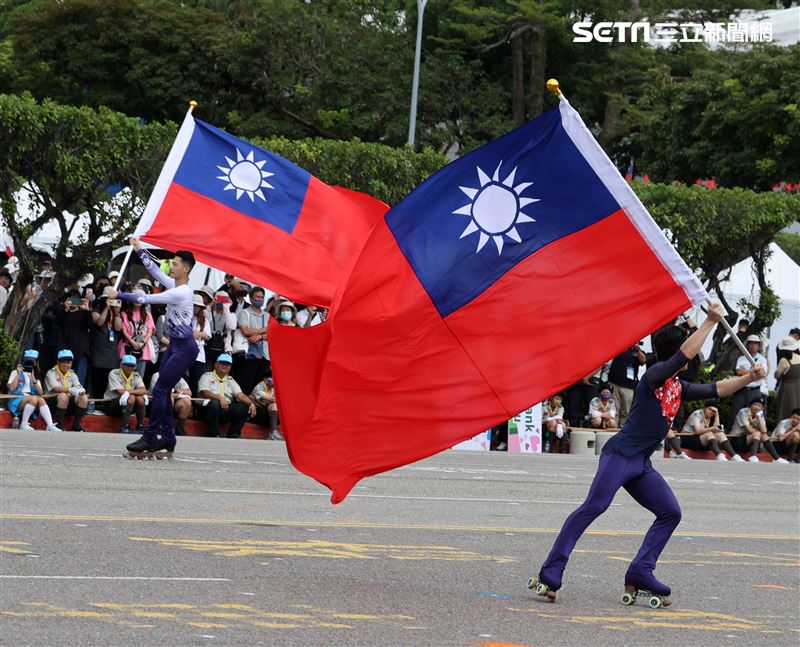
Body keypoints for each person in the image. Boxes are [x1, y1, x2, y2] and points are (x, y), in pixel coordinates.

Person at [529, 303, 768, 607]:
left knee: (671, 512)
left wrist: (749, 378)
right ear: (676, 350)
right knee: (594, 506)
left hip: (641, 464)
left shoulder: (678, 386)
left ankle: (640, 571)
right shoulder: (653, 375)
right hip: (619, 455)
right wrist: (709, 322)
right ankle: (551, 572)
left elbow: (717, 389)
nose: (688, 354)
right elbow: (684, 355)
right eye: (686, 343)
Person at [107, 238, 198, 457]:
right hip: (175, 345)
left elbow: (145, 297)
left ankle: (150, 437)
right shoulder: (176, 285)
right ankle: (167, 438)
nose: (171, 266)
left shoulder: (182, 292)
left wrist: (118, 294)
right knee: (161, 391)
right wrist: (140, 251)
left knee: (160, 390)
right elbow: (156, 272)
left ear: (185, 269)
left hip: (185, 348)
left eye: (175, 264)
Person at [197, 354, 257, 438]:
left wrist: (251, 403)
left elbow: (240, 395)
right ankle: (213, 433)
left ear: (230, 367)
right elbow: (205, 393)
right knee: (214, 404)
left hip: (225, 408)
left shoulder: (230, 380)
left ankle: (233, 434)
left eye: (227, 364)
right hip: (207, 409)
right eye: (222, 363)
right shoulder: (206, 376)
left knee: (243, 407)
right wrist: (220, 398)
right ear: (215, 364)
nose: (224, 365)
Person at [7, 349, 60, 431]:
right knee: (34, 398)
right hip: (16, 400)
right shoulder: (15, 372)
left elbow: (41, 393)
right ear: (23, 361)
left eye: (32, 362)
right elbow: (11, 388)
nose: (30, 364)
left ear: (35, 363)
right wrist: (18, 374)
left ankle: (50, 425)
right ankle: (24, 423)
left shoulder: (35, 375)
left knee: (41, 399)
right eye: (28, 361)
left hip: (31, 399)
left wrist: (33, 379)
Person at [729, 396, 788, 463]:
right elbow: (749, 430)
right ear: (750, 406)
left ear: (762, 408)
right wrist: (759, 431)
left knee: (763, 435)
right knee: (758, 433)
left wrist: (760, 417)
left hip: (749, 442)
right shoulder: (743, 412)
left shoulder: (760, 414)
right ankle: (753, 456)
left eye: (759, 406)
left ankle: (776, 458)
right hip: (736, 440)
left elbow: (764, 431)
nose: (756, 407)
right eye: (754, 404)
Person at [234, 286, 270, 395]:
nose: (260, 299)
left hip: (265, 356)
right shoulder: (245, 313)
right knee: (246, 386)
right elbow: (245, 331)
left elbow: (272, 335)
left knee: (260, 389)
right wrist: (264, 330)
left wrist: (259, 337)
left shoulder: (267, 315)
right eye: (257, 297)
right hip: (249, 356)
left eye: (262, 297)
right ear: (251, 298)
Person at [89, 286, 123, 400]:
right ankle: (97, 401)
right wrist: (107, 308)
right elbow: (99, 322)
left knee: (109, 377)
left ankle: (106, 402)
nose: (112, 301)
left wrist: (117, 313)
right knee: (97, 377)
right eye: (109, 299)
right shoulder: (97, 308)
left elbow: (118, 328)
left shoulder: (116, 311)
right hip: (98, 349)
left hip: (111, 351)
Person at [44, 349, 89, 432]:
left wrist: (81, 390)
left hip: (67, 404)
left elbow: (77, 385)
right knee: (63, 396)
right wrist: (71, 390)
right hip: (52, 403)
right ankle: (59, 424)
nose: (66, 365)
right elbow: (55, 388)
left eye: (68, 362)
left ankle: (76, 425)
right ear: (58, 362)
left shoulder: (72, 373)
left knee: (83, 398)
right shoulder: (51, 372)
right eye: (63, 362)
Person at [729, 334, 769, 427]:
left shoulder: (762, 359)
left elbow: (762, 373)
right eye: (751, 343)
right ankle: (733, 434)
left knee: (757, 412)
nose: (753, 345)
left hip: (755, 390)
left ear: (759, 346)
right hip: (741, 388)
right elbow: (738, 371)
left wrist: (746, 371)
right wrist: (753, 372)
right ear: (747, 345)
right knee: (737, 411)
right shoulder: (741, 358)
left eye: (755, 343)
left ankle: (757, 433)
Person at [102, 355, 147, 434]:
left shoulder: (136, 375)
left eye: (132, 366)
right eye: (127, 365)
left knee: (140, 398)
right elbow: (120, 391)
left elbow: (143, 390)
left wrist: (129, 392)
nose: (129, 368)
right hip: (112, 404)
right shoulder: (114, 373)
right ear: (121, 365)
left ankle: (140, 426)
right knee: (132, 397)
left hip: (127, 407)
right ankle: (124, 426)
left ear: (135, 366)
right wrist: (134, 391)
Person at [118, 290, 156, 380]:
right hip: (127, 346)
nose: (138, 300)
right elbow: (123, 330)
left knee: (139, 377)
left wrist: (142, 342)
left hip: (142, 348)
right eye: (135, 297)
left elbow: (150, 331)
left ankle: (137, 393)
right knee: (124, 376)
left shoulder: (147, 315)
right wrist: (132, 342)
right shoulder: (124, 313)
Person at [608, 344, 646, 428]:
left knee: (625, 411)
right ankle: (613, 428)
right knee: (614, 410)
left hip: (629, 386)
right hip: (614, 383)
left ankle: (622, 430)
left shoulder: (637, 351)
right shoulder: (620, 345)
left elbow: (643, 360)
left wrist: (637, 350)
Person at [149, 371, 192, 437]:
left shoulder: (177, 375)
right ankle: (160, 426)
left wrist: (177, 392)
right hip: (155, 404)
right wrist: (174, 395)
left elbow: (189, 392)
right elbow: (157, 392)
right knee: (168, 399)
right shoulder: (157, 375)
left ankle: (180, 429)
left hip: (173, 405)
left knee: (187, 401)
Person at [206, 290, 237, 366]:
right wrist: (211, 304)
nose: (221, 301)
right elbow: (204, 319)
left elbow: (231, 326)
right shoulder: (211, 313)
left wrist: (227, 308)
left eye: (224, 299)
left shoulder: (231, 315)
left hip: (224, 350)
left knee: (222, 374)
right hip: (209, 347)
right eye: (219, 298)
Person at [188, 293, 211, 394]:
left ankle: (194, 405)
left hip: (198, 354)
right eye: (194, 305)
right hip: (184, 352)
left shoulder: (204, 320)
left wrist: (198, 334)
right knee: (183, 379)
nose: (195, 308)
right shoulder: (185, 317)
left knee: (196, 381)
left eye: (198, 306)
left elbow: (208, 336)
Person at [774, 337, 800, 421]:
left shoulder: (784, 360)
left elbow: (777, 375)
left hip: (787, 387)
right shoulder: (799, 357)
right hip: (798, 386)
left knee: (784, 408)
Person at [250, 374, 283, 440]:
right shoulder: (259, 387)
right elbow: (273, 399)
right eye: (271, 378)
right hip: (255, 412)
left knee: (275, 406)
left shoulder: (272, 388)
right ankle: (273, 433)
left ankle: (273, 432)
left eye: (274, 378)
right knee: (275, 404)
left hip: (266, 412)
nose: (273, 380)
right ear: (265, 379)